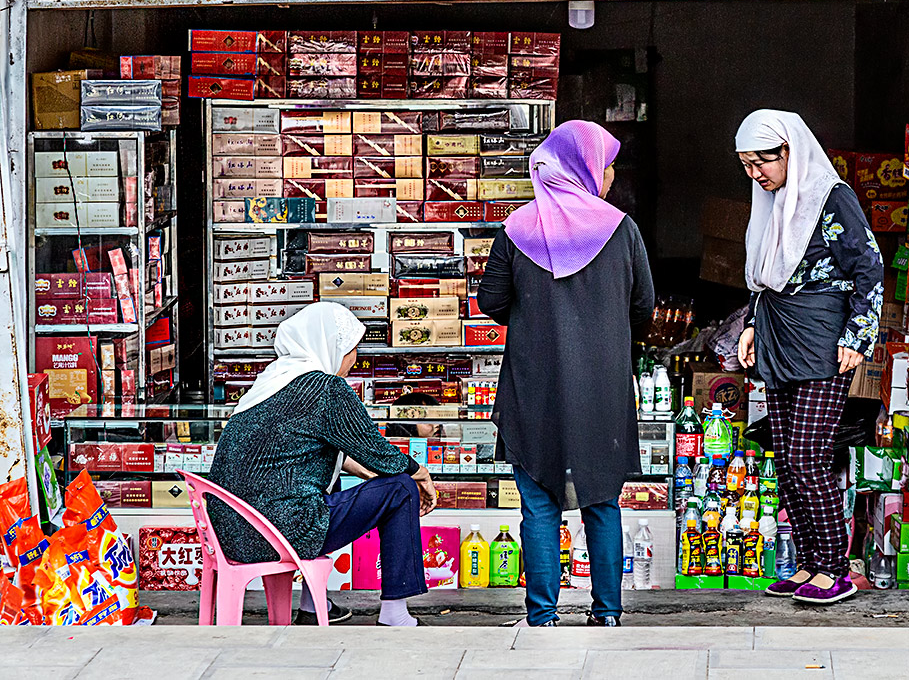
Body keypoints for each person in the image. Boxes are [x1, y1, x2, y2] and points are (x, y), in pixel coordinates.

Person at [478, 119, 655, 628]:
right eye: (605, 169)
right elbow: (642, 307)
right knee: (601, 500)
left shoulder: (515, 230)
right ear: (584, 169)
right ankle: (607, 614)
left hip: (534, 387)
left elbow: (491, 300)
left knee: (538, 501)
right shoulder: (622, 230)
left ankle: (542, 614)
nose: (609, 180)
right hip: (601, 387)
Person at [733, 109, 883, 606]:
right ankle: (809, 564)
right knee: (786, 459)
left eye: (763, 162)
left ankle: (835, 569)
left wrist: (857, 337)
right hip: (778, 335)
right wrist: (754, 323)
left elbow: (870, 269)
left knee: (808, 456)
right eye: (747, 164)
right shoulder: (771, 202)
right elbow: (768, 271)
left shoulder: (831, 197)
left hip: (822, 339)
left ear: (790, 153)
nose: (756, 174)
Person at [208, 301, 437, 627]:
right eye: (352, 349)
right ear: (331, 346)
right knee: (399, 488)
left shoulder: (271, 381)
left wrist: (356, 468)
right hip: (281, 531)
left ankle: (314, 605)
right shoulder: (324, 388)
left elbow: (291, 450)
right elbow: (377, 452)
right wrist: (420, 472)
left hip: (232, 532)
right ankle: (395, 614)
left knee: (330, 478)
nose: (354, 361)